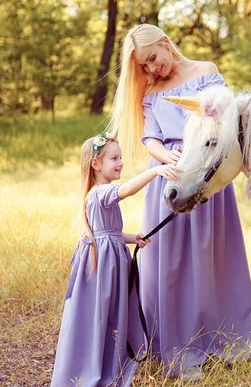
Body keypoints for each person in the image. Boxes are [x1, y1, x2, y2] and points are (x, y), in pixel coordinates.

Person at [109, 24, 251, 381]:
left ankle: (224, 339)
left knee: (214, 258)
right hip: (171, 177)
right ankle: (176, 343)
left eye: (152, 59)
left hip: (204, 174)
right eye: (144, 66)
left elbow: (222, 122)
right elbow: (151, 138)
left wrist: (192, 154)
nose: (151, 69)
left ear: (165, 43)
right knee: (169, 263)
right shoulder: (152, 91)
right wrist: (169, 160)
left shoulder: (206, 73)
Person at [51, 132, 180, 387]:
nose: (120, 163)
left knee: (110, 313)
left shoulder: (98, 194)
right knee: (100, 314)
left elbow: (106, 232)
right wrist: (156, 171)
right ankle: (93, 366)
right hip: (103, 265)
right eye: (114, 158)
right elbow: (126, 190)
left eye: (120, 157)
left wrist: (132, 237)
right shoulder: (100, 193)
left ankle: (109, 359)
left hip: (111, 260)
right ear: (96, 164)